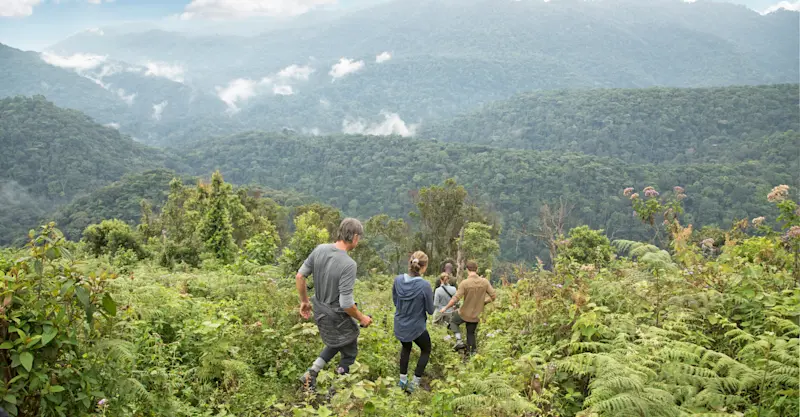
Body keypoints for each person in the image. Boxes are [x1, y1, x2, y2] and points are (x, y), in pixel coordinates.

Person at [296, 218, 372, 392]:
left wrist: (304, 302)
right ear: (354, 237)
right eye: (358, 237)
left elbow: (300, 277)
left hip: (320, 312)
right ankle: (336, 391)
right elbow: (346, 304)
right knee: (349, 352)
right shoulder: (349, 264)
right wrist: (362, 318)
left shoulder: (320, 249)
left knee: (337, 341)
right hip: (337, 316)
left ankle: (311, 373)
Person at [392, 251, 434, 393]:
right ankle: (415, 384)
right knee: (426, 349)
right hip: (416, 327)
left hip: (400, 325)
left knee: (406, 347)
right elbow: (430, 310)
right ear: (424, 267)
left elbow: (395, 302)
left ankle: (403, 381)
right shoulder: (425, 285)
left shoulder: (398, 280)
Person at [440, 260, 496, 355]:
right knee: (470, 333)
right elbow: (493, 296)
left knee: (453, 321)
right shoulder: (485, 282)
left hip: (464, 313)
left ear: (467, 270)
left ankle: (459, 341)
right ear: (477, 269)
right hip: (476, 314)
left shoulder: (464, 283)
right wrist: (483, 302)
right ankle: (471, 354)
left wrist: (445, 308)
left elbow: (456, 298)